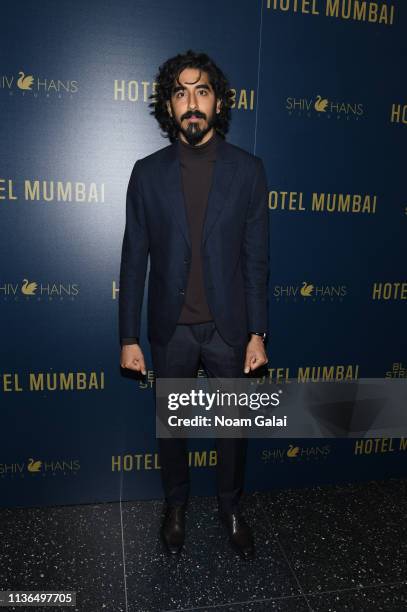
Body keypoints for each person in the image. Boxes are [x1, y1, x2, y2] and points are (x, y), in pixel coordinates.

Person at [119, 50, 269, 560]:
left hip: (229, 330)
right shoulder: (146, 173)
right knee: (172, 430)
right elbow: (133, 262)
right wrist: (128, 337)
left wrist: (257, 333)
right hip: (172, 330)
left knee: (232, 432)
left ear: (219, 100)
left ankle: (231, 507)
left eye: (201, 90)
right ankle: (176, 505)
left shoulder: (249, 172)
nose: (192, 102)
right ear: (168, 105)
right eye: (180, 92)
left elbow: (255, 261)